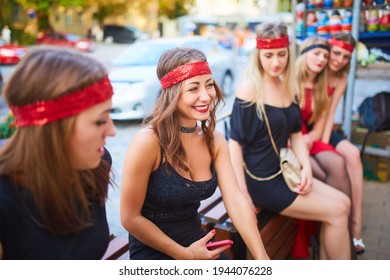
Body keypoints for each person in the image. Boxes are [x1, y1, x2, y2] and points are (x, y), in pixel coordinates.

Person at [120, 47, 269, 260]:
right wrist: (186, 255)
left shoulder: (214, 139)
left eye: (209, 85)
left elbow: (235, 200)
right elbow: (129, 218)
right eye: (193, 88)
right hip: (154, 251)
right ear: (172, 93)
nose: (206, 96)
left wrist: (263, 259)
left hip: (198, 242)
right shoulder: (148, 142)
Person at [228, 22, 351, 260]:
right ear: (259, 55)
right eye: (269, 55)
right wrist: (242, 195)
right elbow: (235, 143)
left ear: (289, 53)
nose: (275, 62)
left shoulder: (288, 84)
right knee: (336, 212)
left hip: (287, 170)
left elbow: (295, 133)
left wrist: (305, 167)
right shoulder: (250, 88)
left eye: (281, 54)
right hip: (262, 181)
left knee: (344, 203)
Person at [0, 47, 116, 259]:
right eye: (100, 121)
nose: (112, 131)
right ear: (54, 128)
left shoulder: (96, 165)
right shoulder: (6, 202)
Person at [294, 36, 356, 259]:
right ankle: (328, 236)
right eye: (317, 53)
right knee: (322, 175)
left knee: (339, 162)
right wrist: (301, 140)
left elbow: (320, 125)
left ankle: (345, 239)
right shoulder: (291, 79)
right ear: (305, 53)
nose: (322, 59)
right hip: (290, 143)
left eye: (324, 56)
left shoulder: (321, 85)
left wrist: (311, 137)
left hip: (309, 139)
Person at [323, 32, 365, 255]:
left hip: (326, 128)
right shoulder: (318, 67)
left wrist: (323, 142)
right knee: (338, 161)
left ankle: (357, 223)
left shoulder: (342, 78)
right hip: (305, 127)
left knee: (353, 155)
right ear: (330, 50)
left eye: (345, 56)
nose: (339, 59)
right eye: (337, 53)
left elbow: (330, 115)